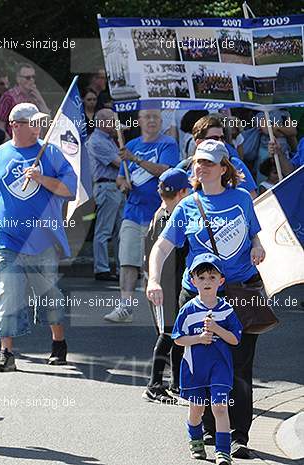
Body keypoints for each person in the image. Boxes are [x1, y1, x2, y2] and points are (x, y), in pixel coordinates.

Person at [147, 140, 266, 458]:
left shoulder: (241, 198)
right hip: (198, 295)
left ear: (224, 168)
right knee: (203, 363)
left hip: (240, 292)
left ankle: (239, 435)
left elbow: (253, 232)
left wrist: (257, 246)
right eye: (199, 162)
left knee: (239, 366)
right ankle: (214, 431)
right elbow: (161, 247)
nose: (202, 167)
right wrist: (154, 279)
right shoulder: (187, 205)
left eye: (210, 162)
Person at [0, 103, 77, 371]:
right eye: (33, 122)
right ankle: (7, 352)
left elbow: (69, 189)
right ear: (15, 125)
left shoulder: (51, 152)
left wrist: (42, 178)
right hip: (6, 241)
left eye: (40, 122)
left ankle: (58, 342)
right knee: (7, 294)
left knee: (48, 295)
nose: (39, 127)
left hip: (43, 240)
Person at [104, 109, 179, 323]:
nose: (152, 120)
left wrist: (134, 159)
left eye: (155, 116)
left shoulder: (168, 144)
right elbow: (120, 178)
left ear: (161, 120)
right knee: (127, 261)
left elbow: (164, 171)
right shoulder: (132, 145)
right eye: (147, 117)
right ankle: (125, 306)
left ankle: (158, 307)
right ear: (139, 121)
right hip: (132, 212)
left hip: (158, 214)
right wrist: (123, 184)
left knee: (155, 264)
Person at [172, 253, 243, 465]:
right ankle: (195, 440)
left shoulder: (226, 310)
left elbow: (235, 339)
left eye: (212, 277)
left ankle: (223, 452)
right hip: (195, 369)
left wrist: (217, 328)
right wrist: (199, 338)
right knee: (197, 409)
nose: (207, 282)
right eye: (201, 278)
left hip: (220, 367)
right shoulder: (188, 310)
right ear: (193, 281)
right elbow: (178, 339)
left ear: (221, 281)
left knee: (220, 407)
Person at [142, 168, 191, 403]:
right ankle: (154, 384)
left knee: (177, 331)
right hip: (163, 284)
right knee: (167, 333)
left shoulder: (165, 211)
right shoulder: (166, 218)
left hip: (172, 282)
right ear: (182, 192)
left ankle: (176, 382)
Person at [177, 114, 257, 198]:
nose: (220, 142)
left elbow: (253, 199)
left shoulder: (235, 164)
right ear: (199, 142)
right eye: (214, 138)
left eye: (222, 138)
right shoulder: (185, 167)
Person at [87, 109, 123, 281]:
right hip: (106, 186)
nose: (115, 123)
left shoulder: (109, 140)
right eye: (111, 120)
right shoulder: (96, 141)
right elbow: (119, 163)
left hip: (115, 187)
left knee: (120, 231)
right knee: (104, 230)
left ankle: (121, 267)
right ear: (101, 122)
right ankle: (101, 268)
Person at [0, 63, 50, 136]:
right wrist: (8, 141)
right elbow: (0, 124)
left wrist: (40, 100)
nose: (31, 80)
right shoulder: (8, 97)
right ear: (18, 79)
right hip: (16, 141)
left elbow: (47, 119)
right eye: (28, 78)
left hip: (36, 140)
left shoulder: (36, 95)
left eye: (33, 77)